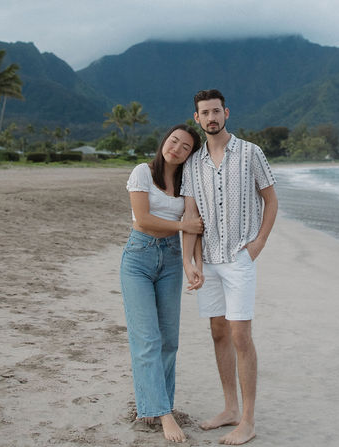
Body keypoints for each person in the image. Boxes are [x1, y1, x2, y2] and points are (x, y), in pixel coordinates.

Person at [181, 89, 278, 446]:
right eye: (204, 112)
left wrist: (259, 244)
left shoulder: (251, 152)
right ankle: (230, 409)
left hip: (239, 256)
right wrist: (189, 261)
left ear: (226, 113)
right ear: (197, 118)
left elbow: (271, 199)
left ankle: (248, 420)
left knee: (240, 335)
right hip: (208, 259)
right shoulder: (193, 164)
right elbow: (190, 215)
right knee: (218, 332)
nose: (211, 117)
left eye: (216, 111)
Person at [121, 123, 203, 443]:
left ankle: (154, 408)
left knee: (169, 340)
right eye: (174, 141)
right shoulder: (143, 172)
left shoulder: (186, 182)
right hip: (138, 259)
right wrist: (182, 224)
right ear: (164, 141)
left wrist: (190, 263)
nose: (177, 149)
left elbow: (195, 226)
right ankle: (163, 412)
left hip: (170, 260)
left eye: (185, 147)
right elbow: (143, 219)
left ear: (189, 155)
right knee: (147, 340)